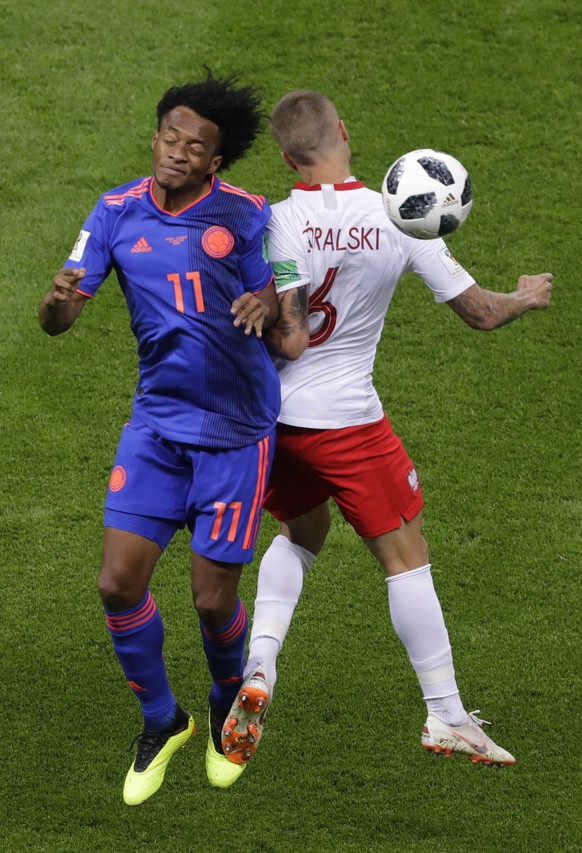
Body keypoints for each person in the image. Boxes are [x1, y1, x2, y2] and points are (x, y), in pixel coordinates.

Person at [219, 89, 554, 774]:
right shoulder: (398, 213)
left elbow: (287, 330)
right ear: (345, 131)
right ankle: (447, 713)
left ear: (287, 157)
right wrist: (525, 293)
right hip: (348, 420)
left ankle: (260, 666)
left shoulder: (275, 220)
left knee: (300, 532)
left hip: (278, 420)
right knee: (406, 554)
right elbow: (481, 313)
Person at [38, 72, 282, 803]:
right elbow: (60, 319)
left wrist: (269, 297)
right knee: (116, 582)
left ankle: (229, 699)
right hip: (156, 427)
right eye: (170, 136)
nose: (177, 152)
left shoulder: (245, 215)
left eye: (195, 146)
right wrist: (54, 305)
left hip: (237, 433)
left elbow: (288, 293)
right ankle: (161, 718)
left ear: (216, 161)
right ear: (155, 135)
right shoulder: (113, 211)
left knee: (213, 602)